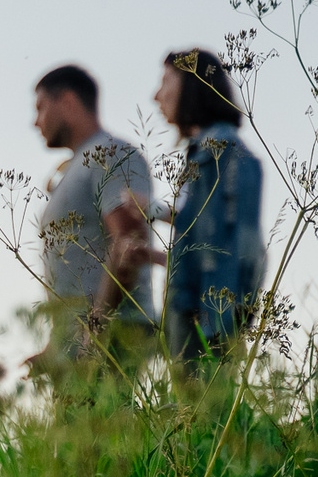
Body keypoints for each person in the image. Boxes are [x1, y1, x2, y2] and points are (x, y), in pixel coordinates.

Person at [25, 62, 158, 375]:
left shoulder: (110, 154)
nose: (35, 121)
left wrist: (95, 331)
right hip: (79, 343)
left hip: (113, 336)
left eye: (41, 107)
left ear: (68, 102)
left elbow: (128, 243)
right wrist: (56, 344)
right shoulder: (75, 168)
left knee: (110, 424)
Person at [150, 48, 267, 365]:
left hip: (207, 314)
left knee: (204, 407)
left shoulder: (224, 150)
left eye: (165, 82)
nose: (156, 96)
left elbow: (231, 244)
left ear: (190, 86)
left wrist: (218, 320)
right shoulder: (203, 152)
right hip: (195, 304)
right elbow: (200, 227)